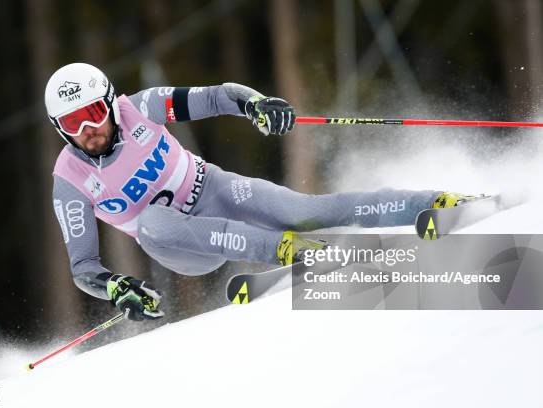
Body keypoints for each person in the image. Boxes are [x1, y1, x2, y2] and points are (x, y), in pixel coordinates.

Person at [45, 62, 477, 321]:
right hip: (182, 247)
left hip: (212, 187)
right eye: (71, 123)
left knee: (308, 209)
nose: (88, 130)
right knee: (152, 221)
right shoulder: (69, 179)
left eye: (93, 113)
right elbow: (83, 266)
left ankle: (432, 201)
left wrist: (256, 104)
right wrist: (118, 287)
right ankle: (287, 250)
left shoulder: (139, 107)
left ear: (109, 101)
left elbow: (217, 97)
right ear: (59, 129)